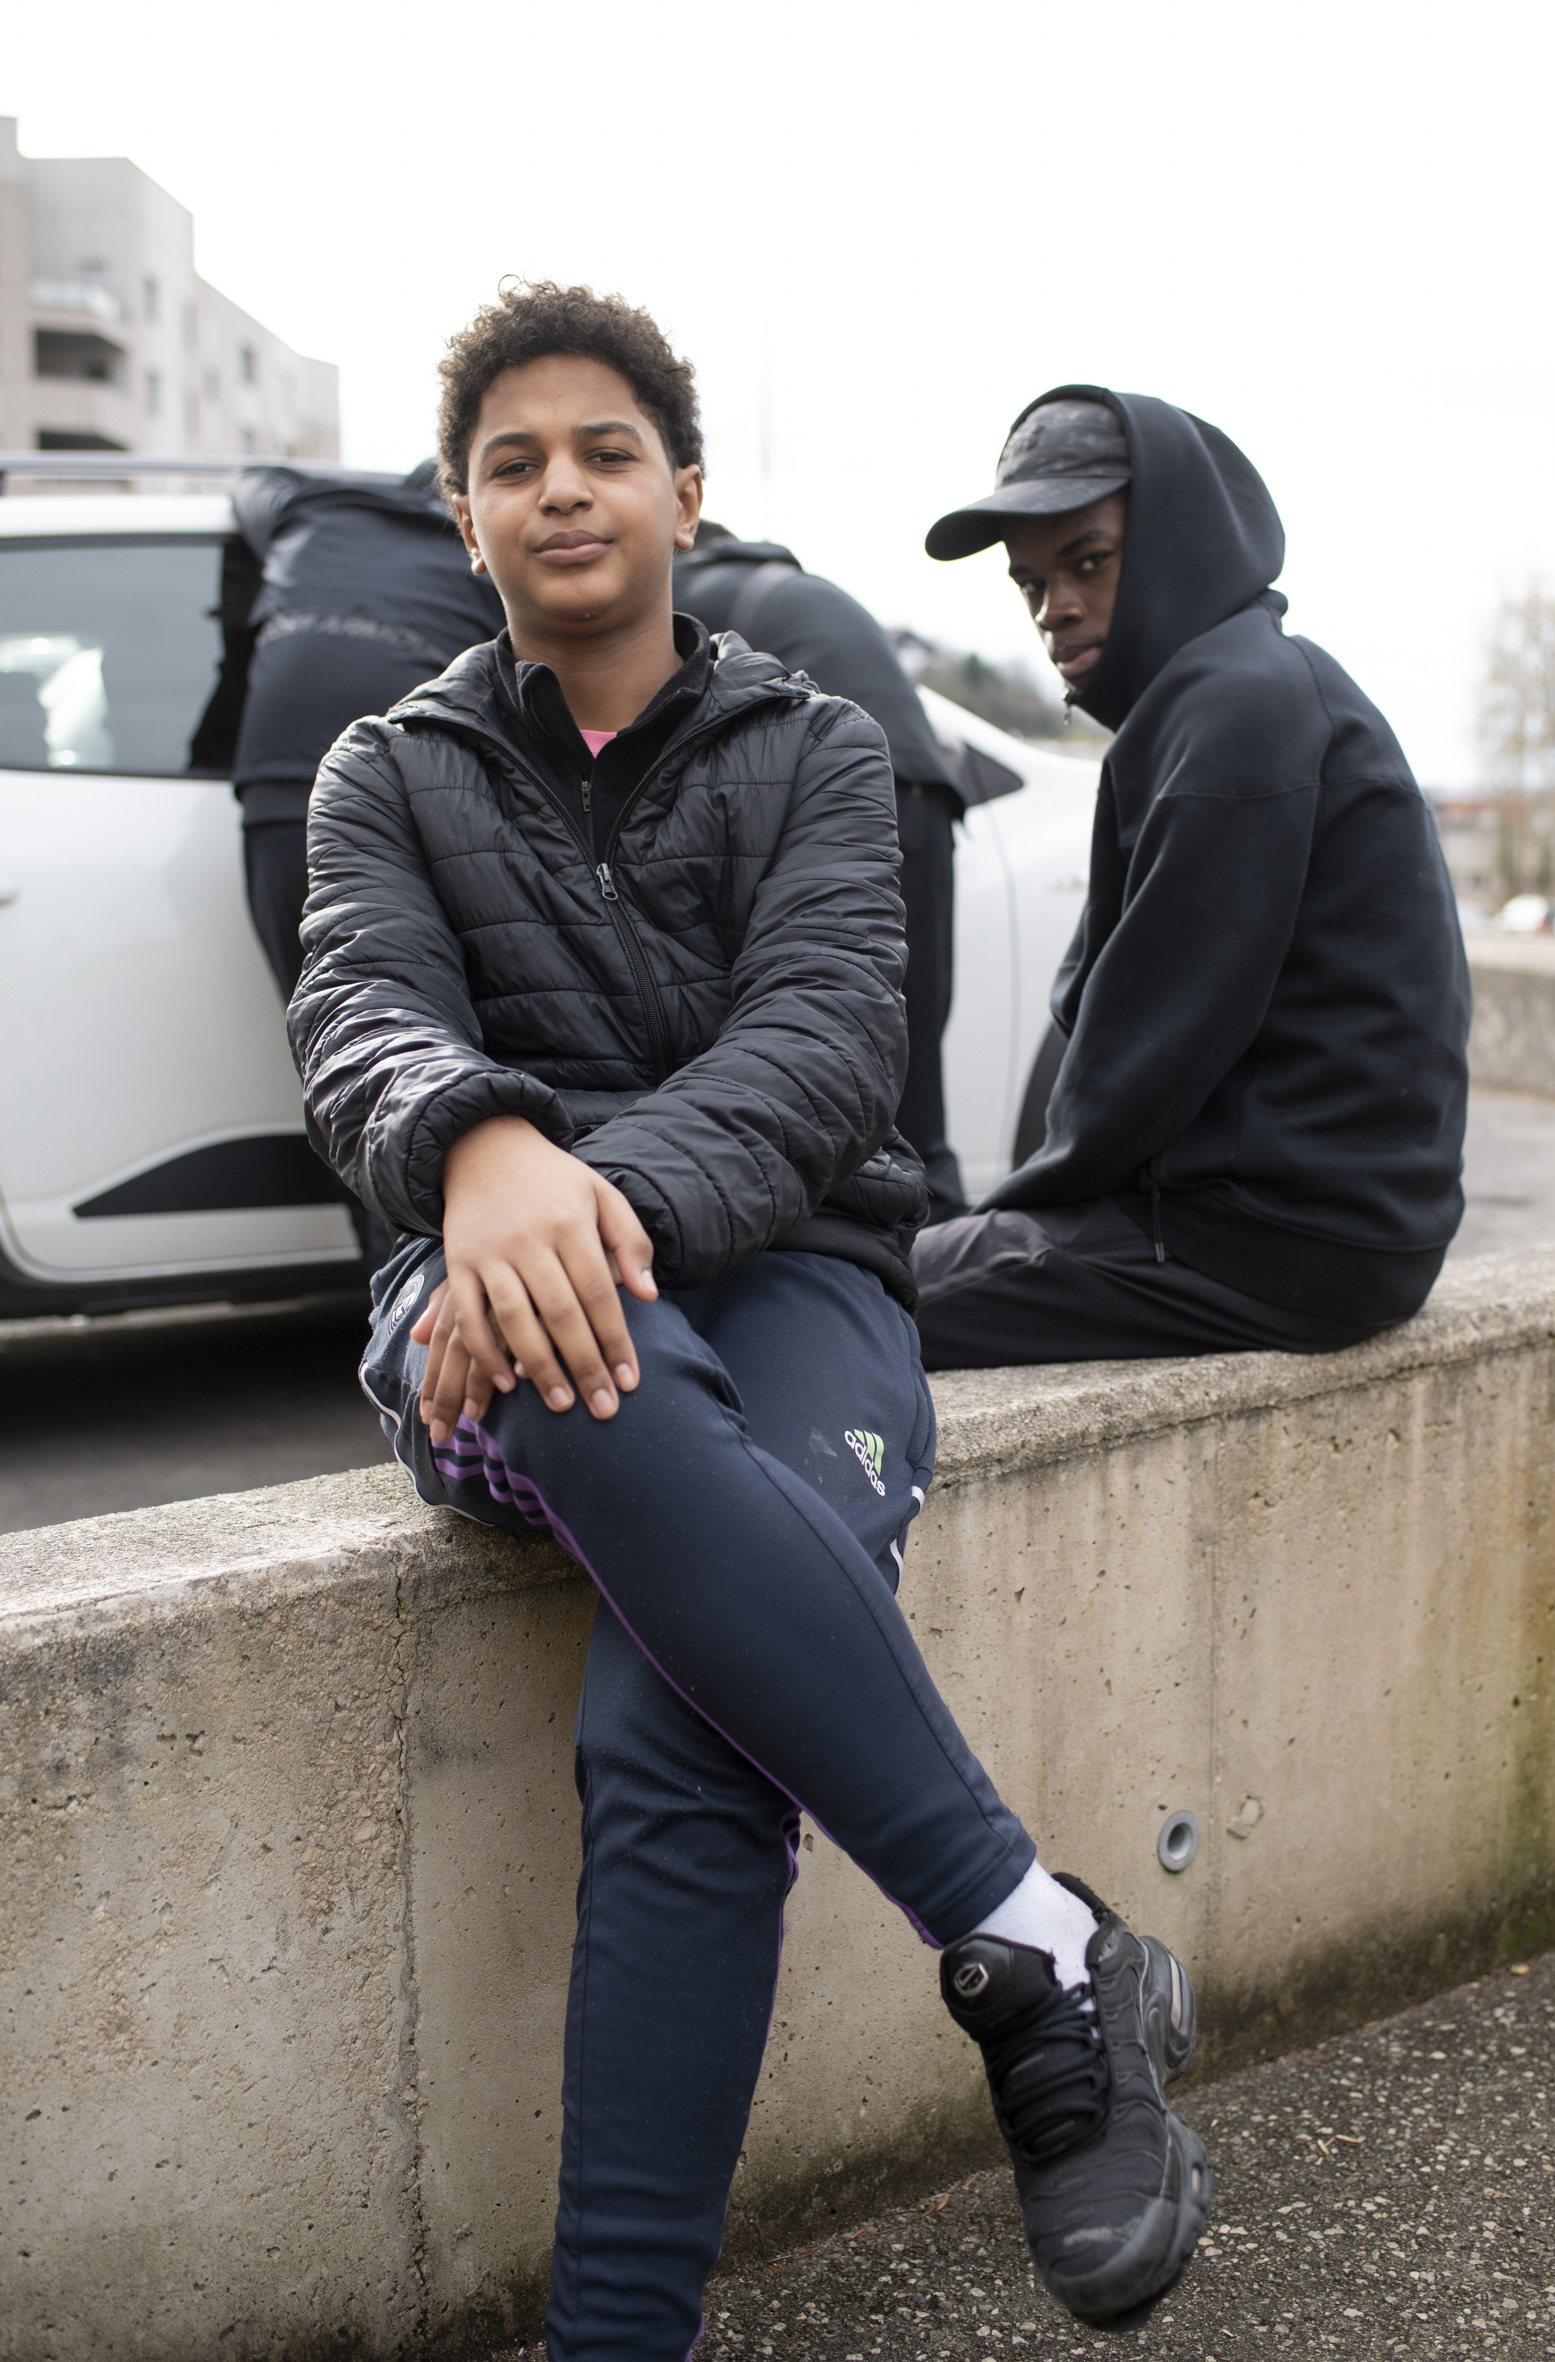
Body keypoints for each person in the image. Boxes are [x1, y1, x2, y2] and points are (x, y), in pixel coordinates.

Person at [288, 286, 1212, 2358]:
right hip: (478, 1292)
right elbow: (355, 1012)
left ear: (686, 491)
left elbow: (819, 1051)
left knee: (670, 1725)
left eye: (604, 449)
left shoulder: (814, 744)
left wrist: (571, 1193)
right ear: (463, 517)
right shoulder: (388, 768)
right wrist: (476, 1150)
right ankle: (1034, 1934)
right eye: (511, 462)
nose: (561, 488)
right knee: (556, 1339)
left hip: (793, 1281)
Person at [912, 389, 1470, 1366]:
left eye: (1088, 561)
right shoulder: (1236, 686)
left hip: (1267, 1240)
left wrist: (1002, 1225)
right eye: (1031, 583)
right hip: (1328, 1228)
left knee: (847, 1306)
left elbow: (1148, 1049)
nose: (1057, 608)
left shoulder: (1237, 711)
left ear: (1174, 540)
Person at [673, 523, 969, 1217]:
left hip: (850, 793)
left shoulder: (681, 596)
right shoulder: (790, 588)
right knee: (912, 1081)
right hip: (928, 793)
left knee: (854, 1074)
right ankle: (950, 1257)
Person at [232, 458, 505, 1000]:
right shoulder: (485, 542)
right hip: (421, 800)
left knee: (347, 1041)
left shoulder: (304, 508)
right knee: (435, 1042)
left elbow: (250, 481)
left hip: (285, 790)